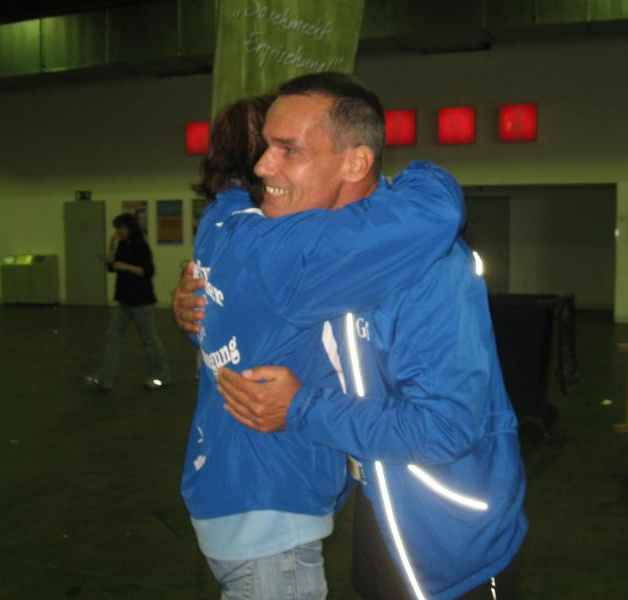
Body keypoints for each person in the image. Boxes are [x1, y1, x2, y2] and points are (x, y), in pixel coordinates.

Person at [178, 72, 527, 600]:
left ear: (355, 163)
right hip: (377, 503)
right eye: (266, 146)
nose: (262, 166)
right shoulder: (316, 252)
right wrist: (197, 311)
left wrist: (300, 409)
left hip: (450, 533)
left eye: (288, 149)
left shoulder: (428, 266)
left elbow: (446, 427)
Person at [83, 213, 171, 390]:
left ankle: (161, 375)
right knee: (113, 337)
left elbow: (148, 271)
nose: (119, 232)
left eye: (121, 228)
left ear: (130, 228)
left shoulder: (141, 246)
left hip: (141, 301)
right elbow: (111, 266)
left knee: (149, 339)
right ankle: (104, 378)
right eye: (117, 229)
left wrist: (126, 267)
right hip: (124, 300)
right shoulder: (121, 244)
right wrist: (111, 245)